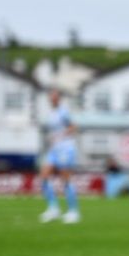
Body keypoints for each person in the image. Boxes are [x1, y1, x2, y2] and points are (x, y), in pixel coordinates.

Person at [39, 89, 80, 223]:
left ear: (59, 98)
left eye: (55, 97)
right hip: (54, 150)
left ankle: (73, 212)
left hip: (65, 149)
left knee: (65, 179)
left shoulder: (63, 112)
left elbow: (74, 127)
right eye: (51, 97)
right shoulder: (51, 113)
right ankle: (53, 209)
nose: (53, 99)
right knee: (44, 175)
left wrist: (61, 135)